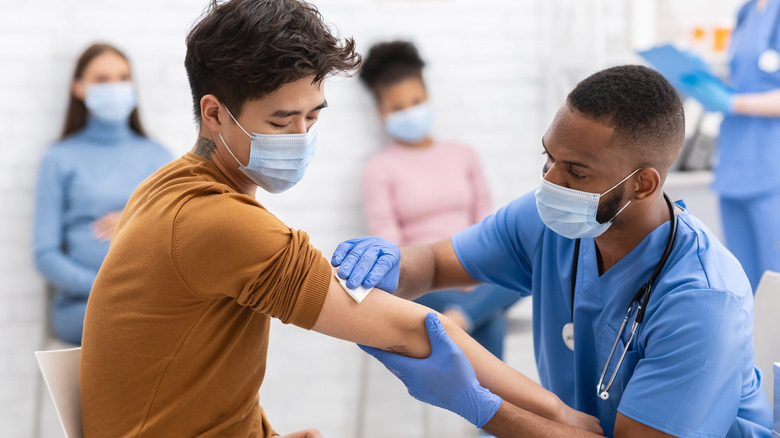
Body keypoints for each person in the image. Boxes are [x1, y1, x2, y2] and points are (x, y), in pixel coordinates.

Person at [79, 1, 603, 437]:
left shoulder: (167, 187)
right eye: (281, 120)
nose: (301, 138)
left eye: (312, 116)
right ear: (215, 113)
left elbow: (178, 365)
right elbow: (413, 329)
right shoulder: (218, 222)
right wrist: (560, 417)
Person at [333, 65, 774, 437]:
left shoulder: (702, 301)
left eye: (576, 172)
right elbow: (433, 264)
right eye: (549, 158)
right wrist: (393, 265)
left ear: (643, 185)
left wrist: (481, 406)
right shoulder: (547, 221)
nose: (550, 182)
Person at [359, 40, 522, 360]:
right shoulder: (378, 169)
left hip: (474, 268)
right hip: (422, 282)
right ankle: (472, 320)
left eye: (416, 101)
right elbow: (388, 242)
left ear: (428, 98)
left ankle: (458, 321)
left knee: (524, 268)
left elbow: (484, 224)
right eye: (397, 107)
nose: (409, 112)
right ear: (381, 113)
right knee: (491, 320)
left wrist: (472, 272)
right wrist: (439, 275)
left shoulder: (463, 155)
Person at [33, 43, 172, 345]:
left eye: (123, 78)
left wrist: (135, 217)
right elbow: (45, 254)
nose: (115, 87)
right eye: (102, 79)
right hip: (83, 305)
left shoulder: (160, 157)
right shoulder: (59, 158)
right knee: (135, 330)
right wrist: (102, 287)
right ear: (79, 88)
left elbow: (181, 234)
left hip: (151, 299)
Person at [675, 0, 780, 291]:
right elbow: (744, 79)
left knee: (776, 280)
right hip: (735, 163)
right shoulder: (746, 12)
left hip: (772, 165)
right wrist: (705, 82)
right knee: (743, 282)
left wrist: (732, 102)